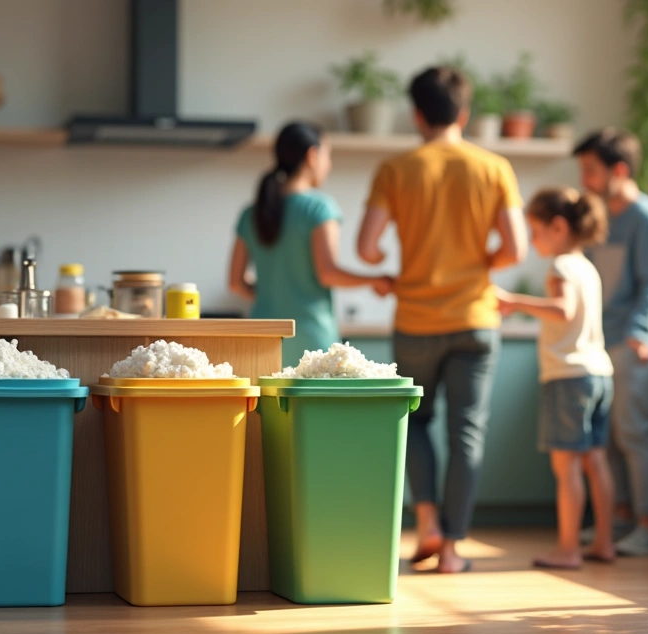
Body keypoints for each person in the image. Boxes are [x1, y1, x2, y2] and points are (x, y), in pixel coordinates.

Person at [357, 67, 526, 574]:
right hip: (475, 318)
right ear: (465, 113)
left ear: (417, 114)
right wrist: (479, 262)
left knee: (416, 422)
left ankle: (427, 523)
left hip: (415, 320)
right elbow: (515, 249)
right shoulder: (494, 167)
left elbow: (366, 248)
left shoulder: (396, 169)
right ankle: (452, 550)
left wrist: (390, 274)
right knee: (466, 433)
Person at [496, 188, 616, 569]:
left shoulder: (561, 267)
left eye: (535, 231)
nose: (532, 240)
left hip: (568, 376)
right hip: (599, 372)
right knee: (595, 462)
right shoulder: (588, 267)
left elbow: (562, 310)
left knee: (566, 467)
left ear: (559, 227)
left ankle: (567, 549)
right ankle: (603, 542)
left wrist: (514, 301)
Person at [573, 129, 648, 556]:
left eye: (591, 171)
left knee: (634, 433)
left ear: (619, 170)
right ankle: (617, 520)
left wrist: (641, 333)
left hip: (635, 343)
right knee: (608, 435)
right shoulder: (602, 221)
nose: (585, 180)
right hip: (601, 343)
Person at [228, 121, 392, 365]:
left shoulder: (251, 213)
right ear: (312, 156)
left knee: (264, 405)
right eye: (328, 155)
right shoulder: (318, 208)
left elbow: (235, 283)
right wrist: (376, 279)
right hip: (310, 340)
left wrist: (273, 296)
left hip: (264, 339)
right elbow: (327, 273)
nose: (330, 164)